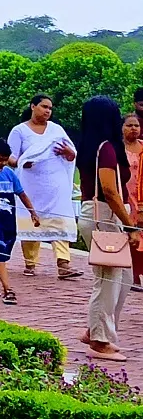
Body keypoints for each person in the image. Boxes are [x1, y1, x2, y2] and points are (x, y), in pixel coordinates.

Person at [75, 96, 139, 361]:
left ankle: (96, 328)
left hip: (96, 213)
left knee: (121, 278)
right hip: (106, 214)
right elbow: (111, 190)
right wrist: (129, 223)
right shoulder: (107, 149)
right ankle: (100, 339)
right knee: (108, 279)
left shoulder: (89, 146)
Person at [8, 94, 82, 280]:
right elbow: (10, 157)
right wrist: (22, 162)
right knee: (31, 220)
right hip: (31, 185)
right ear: (33, 106)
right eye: (43, 106)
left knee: (60, 220)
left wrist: (68, 152)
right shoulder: (19, 131)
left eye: (50, 108)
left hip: (55, 184)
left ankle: (63, 264)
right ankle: (30, 263)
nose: (47, 111)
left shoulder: (56, 130)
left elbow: (71, 154)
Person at [0, 139, 41, 305]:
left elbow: (21, 194)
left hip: (9, 221)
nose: (2, 163)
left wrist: (32, 212)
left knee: (3, 254)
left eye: (5, 159)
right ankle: (8, 289)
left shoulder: (9, 173)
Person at [126, 113, 143, 290]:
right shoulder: (118, 149)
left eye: (136, 126)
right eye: (129, 125)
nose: (133, 129)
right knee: (131, 236)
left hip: (142, 197)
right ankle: (133, 276)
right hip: (126, 197)